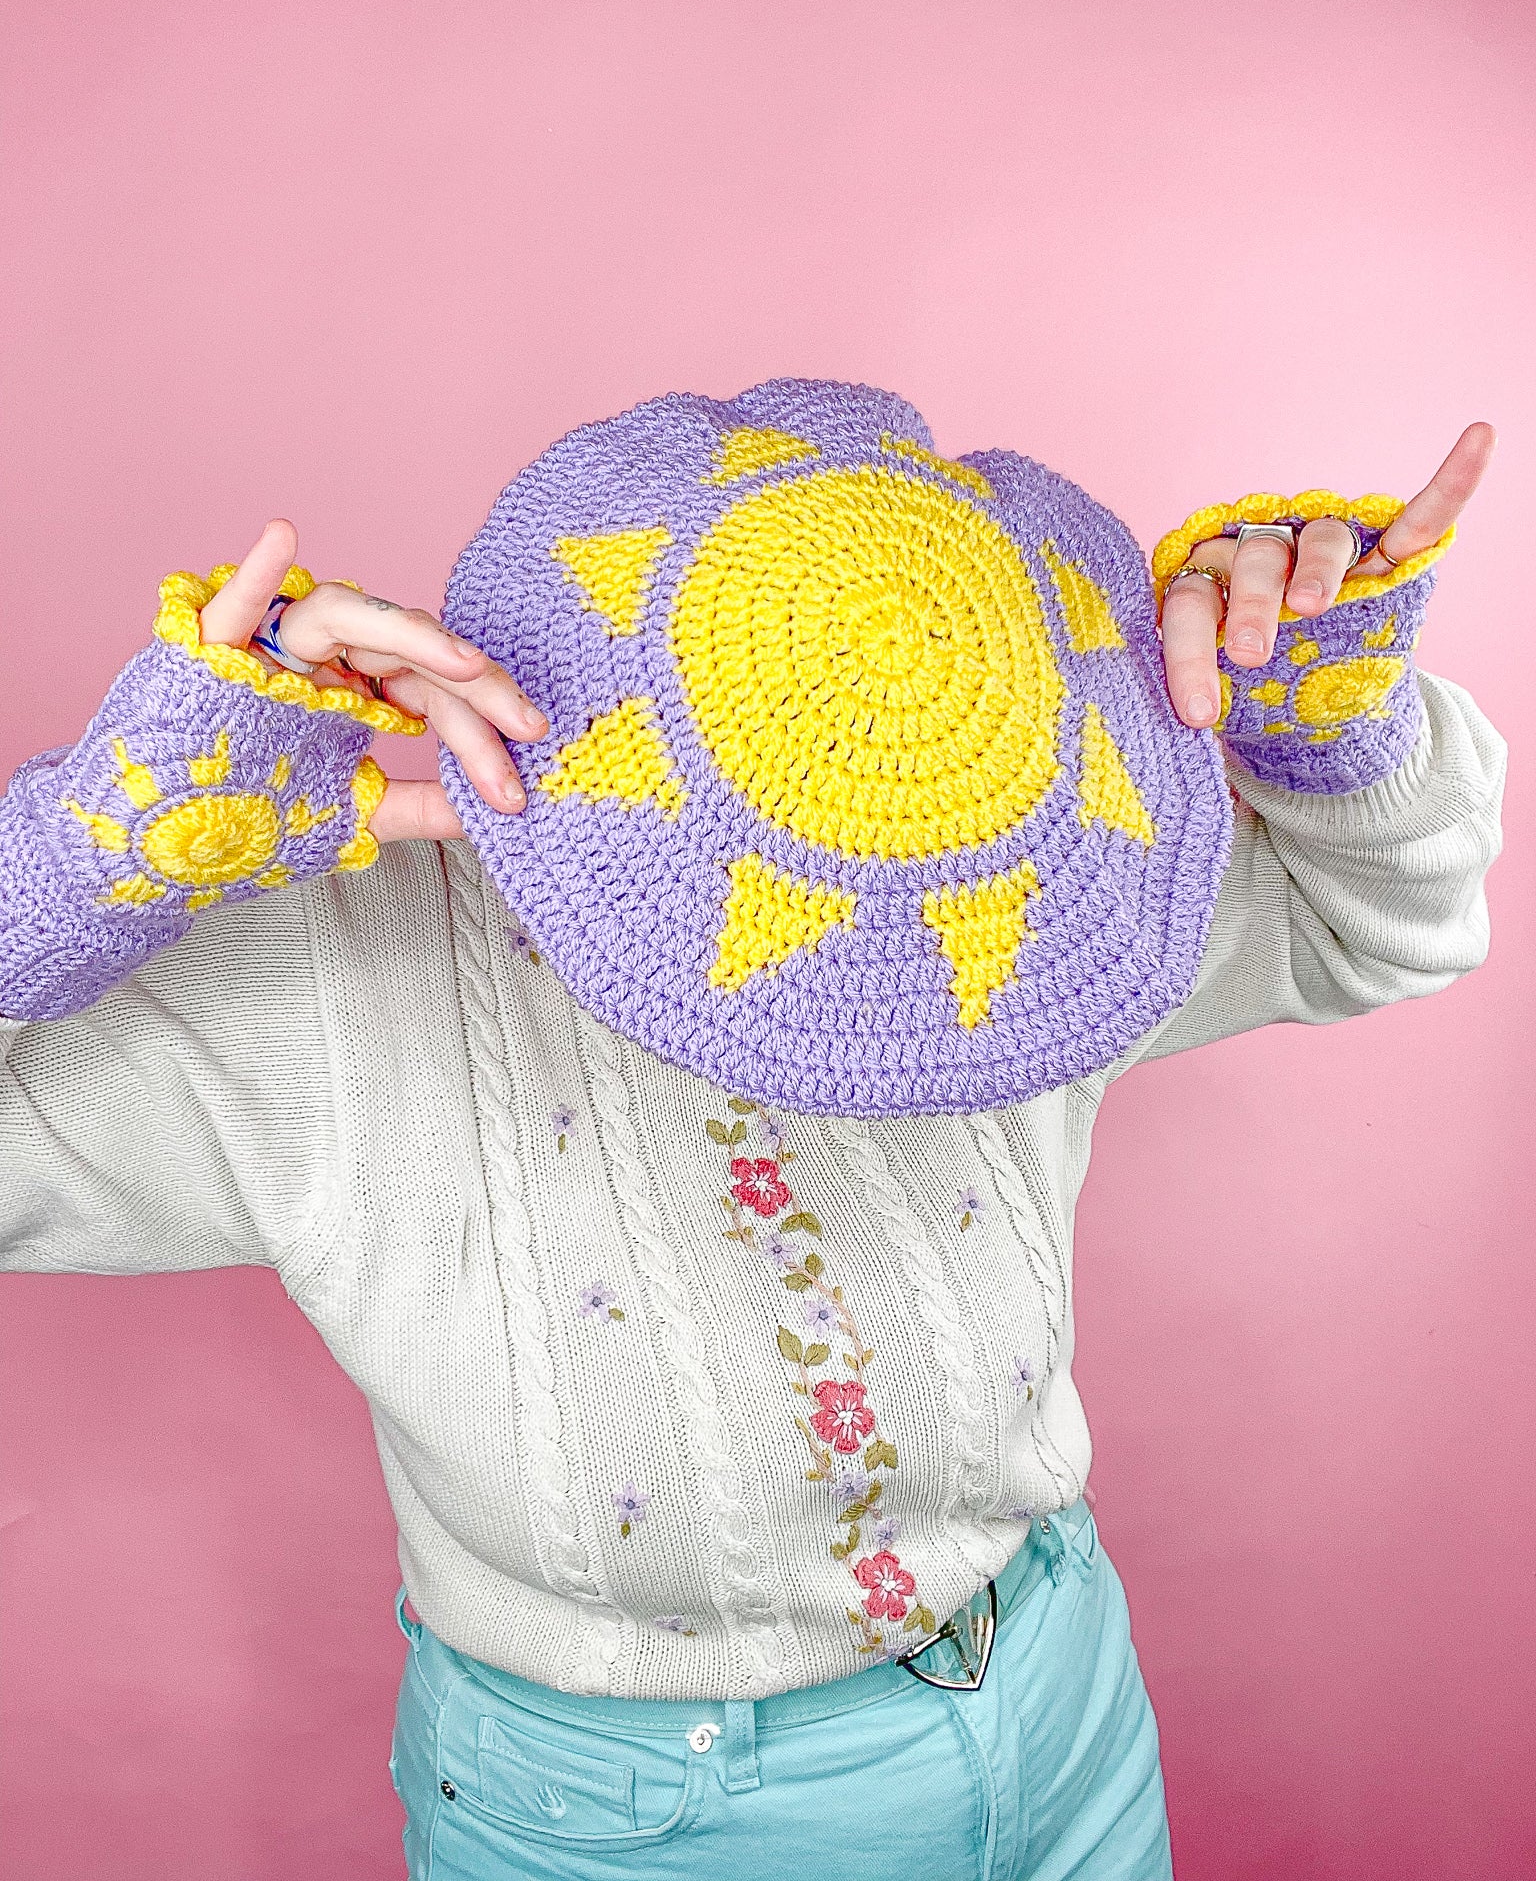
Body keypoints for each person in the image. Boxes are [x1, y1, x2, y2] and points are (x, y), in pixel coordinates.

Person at [0, 382, 1504, 1881]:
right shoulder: (328, 965)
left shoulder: (1024, 869)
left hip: (1059, 1678)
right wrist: (80, 860)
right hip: (638, 1817)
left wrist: (1332, 725)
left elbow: (1380, 921)